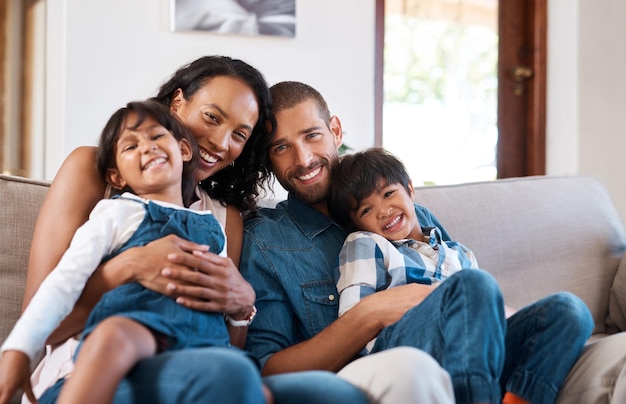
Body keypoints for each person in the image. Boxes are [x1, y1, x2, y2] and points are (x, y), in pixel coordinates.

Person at [3, 57, 368, 404]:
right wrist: (130, 267)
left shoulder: (225, 219)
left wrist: (241, 306)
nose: (221, 143)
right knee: (225, 376)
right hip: (81, 371)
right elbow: (44, 317)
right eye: (212, 117)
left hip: (193, 359)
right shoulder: (99, 176)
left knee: (333, 395)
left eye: (239, 135)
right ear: (177, 103)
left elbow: (224, 343)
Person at [0, 100, 274, 403]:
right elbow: (63, 282)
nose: (147, 147)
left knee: (255, 389)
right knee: (115, 334)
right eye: (130, 146)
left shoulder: (213, 227)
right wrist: (19, 349)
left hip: (199, 343)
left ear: (184, 150)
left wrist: (240, 306)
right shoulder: (116, 213)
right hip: (138, 330)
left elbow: (222, 299)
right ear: (117, 177)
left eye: (157, 137)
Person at [241, 81, 456, 403]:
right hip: (364, 376)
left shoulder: (409, 213)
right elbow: (267, 369)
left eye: (312, 135)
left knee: (559, 313)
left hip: (455, 355)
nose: (303, 159)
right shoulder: (265, 241)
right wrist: (369, 314)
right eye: (281, 147)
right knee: (410, 368)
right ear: (268, 160)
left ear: (335, 130)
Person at [326, 147, 594, 403]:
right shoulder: (365, 243)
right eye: (366, 210)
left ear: (409, 188)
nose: (383, 211)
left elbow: (485, 310)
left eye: (387, 194)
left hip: (477, 351)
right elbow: (355, 323)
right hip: (407, 346)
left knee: (570, 309)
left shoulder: (459, 253)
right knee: (473, 284)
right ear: (357, 223)